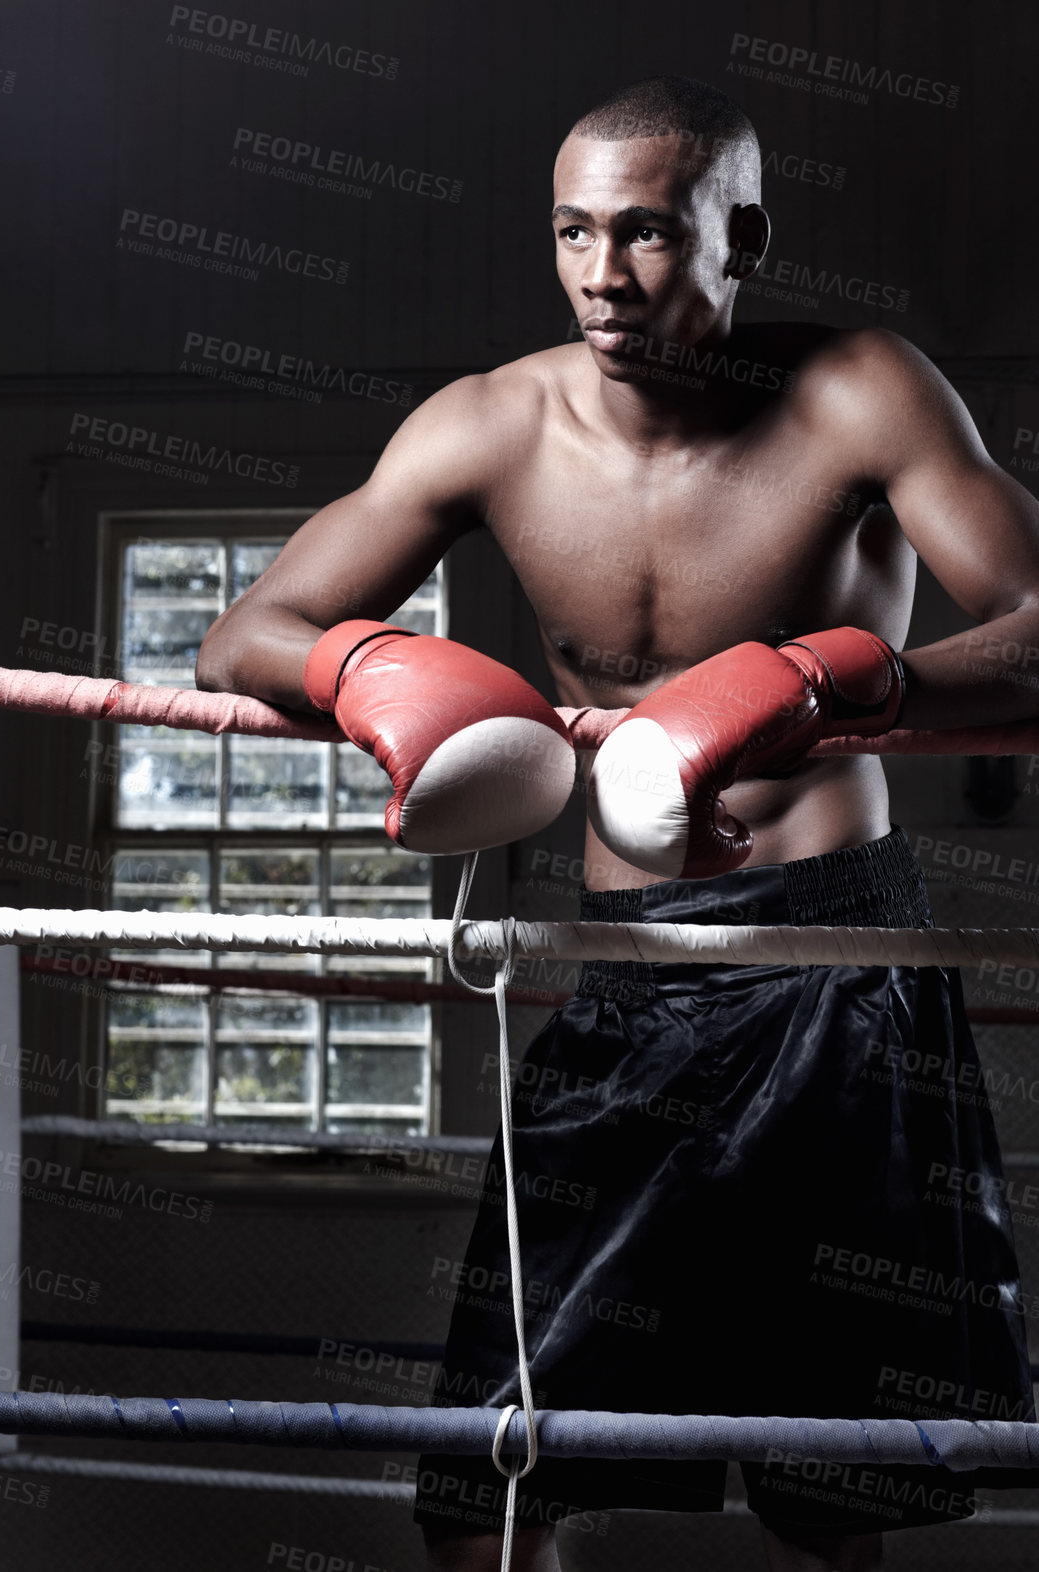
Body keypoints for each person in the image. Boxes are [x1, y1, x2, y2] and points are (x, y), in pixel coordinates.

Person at [195, 74, 1039, 1572]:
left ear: (743, 236)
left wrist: (833, 679)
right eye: (574, 232)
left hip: (838, 967)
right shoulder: (489, 427)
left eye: (647, 234)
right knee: (497, 1465)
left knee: (831, 1492)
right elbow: (249, 632)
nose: (602, 273)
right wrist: (367, 665)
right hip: (627, 968)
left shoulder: (861, 394)